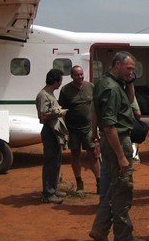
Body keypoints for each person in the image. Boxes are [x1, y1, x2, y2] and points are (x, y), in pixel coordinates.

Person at [89, 51, 146, 241]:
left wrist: (93, 132)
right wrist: (121, 156)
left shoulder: (107, 82)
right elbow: (109, 125)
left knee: (115, 187)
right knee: (122, 188)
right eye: (129, 68)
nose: (132, 72)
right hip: (117, 141)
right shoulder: (112, 89)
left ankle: (100, 228)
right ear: (117, 65)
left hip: (113, 140)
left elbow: (99, 112)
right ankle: (123, 237)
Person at [59, 66, 101, 194]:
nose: (80, 77)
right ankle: (79, 183)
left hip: (88, 128)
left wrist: (97, 127)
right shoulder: (65, 90)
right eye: (77, 75)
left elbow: (97, 106)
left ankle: (99, 183)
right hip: (73, 130)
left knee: (93, 155)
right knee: (75, 155)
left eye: (81, 74)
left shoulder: (90, 87)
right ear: (72, 76)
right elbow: (61, 109)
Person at [35, 69, 69, 204]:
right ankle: (48, 193)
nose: (60, 83)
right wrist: (59, 113)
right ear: (55, 81)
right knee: (50, 162)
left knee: (56, 161)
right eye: (60, 80)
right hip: (49, 131)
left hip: (54, 132)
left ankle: (53, 189)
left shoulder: (50, 94)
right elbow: (43, 116)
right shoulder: (43, 95)